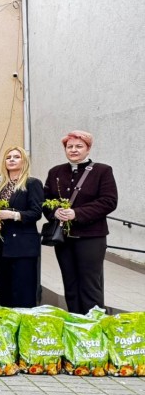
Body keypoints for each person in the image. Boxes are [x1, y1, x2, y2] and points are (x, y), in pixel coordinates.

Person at [43, 130, 118, 314]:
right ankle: (75, 324)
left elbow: (109, 201)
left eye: (79, 146)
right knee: (70, 283)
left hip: (91, 237)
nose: (74, 150)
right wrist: (55, 212)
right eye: (70, 147)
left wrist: (76, 213)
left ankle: (92, 327)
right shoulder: (55, 172)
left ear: (88, 148)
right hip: (64, 238)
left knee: (90, 284)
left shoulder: (103, 171)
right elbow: (45, 201)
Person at [0, 146, 43, 308]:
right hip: (3, 246)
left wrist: (13, 215)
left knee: (23, 293)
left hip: (23, 246)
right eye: (8, 157)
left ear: (24, 161)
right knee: (5, 293)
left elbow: (36, 212)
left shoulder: (32, 183)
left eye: (16, 157)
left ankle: (24, 329)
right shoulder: (1, 185)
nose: (11, 160)